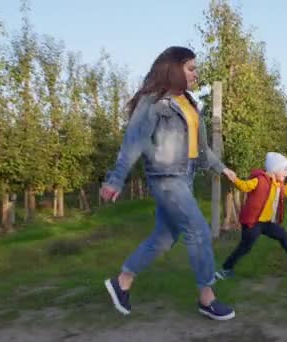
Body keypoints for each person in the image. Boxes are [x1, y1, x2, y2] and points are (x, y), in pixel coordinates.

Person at [100, 46, 236, 320]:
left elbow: (201, 149)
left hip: (184, 177)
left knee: (164, 237)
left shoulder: (190, 103)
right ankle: (207, 297)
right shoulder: (153, 101)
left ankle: (122, 281)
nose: (196, 74)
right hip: (165, 178)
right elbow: (133, 141)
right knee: (198, 231)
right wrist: (116, 180)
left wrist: (222, 168)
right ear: (173, 69)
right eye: (191, 68)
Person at [215, 152, 287, 280]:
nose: (286, 173)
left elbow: (285, 193)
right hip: (253, 224)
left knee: (283, 235)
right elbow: (245, 187)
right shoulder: (260, 180)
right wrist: (234, 179)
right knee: (244, 248)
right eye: (285, 170)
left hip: (266, 223)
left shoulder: (277, 185)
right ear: (275, 169)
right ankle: (225, 269)